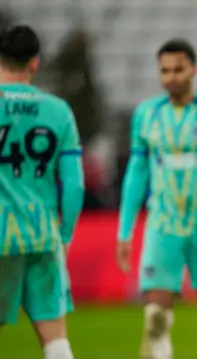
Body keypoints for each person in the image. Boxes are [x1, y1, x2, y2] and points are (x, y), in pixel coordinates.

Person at [116, 38, 197, 359]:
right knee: (155, 318)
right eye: (165, 71)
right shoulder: (146, 114)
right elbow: (136, 173)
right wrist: (125, 230)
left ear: (193, 70)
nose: (171, 76)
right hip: (163, 224)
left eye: (178, 69)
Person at [0, 25, 84, 359]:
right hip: (42, 234)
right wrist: (64, 233)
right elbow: (75, 184)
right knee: (55, 339)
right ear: (35, 63)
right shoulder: (59, 111)